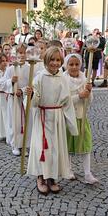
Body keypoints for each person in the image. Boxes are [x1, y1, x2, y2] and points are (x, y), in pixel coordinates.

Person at [26, 46, 78, 195]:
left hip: (57, 119)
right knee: (43, 149)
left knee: (56, 149)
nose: (55, 63)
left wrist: (71, 124)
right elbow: (35, 101)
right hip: (43, 117)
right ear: (46, 61)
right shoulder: (39, 78)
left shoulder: (62, 78)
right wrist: (30, 95)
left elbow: (67, 101)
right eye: (52, 60)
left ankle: (53, 178)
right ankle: (41, 177)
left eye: (57, 60)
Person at [63, 53, 98, 184]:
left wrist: (88, 93)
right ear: (66, 65)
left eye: (77, 64)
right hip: (68, 117)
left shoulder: (85, 79)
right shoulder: (63, 80)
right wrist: (79, 96)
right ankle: (69, 169)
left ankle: (87, 173)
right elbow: (63, 101)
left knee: (86, 143)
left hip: (82, 116)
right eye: (71, 64)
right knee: (68, 144)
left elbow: (89, 102)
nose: (74, 67)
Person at [0, 43, 31, 155]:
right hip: (14, 100)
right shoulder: (10, 69)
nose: (22, 55)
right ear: (15, 54)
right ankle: (15, 145)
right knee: (15, 122)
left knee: (25, 123)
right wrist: (11, 82)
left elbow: (33, 82)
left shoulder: (29, 68)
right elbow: (1, 84)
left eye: (24, 52)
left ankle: (24, 145)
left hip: (25, 99)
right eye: (20, 53)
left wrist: (22, 90)